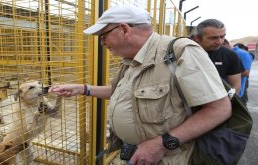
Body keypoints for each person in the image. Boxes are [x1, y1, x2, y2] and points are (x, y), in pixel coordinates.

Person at [49, 5, 231, 165]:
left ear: (124, 29)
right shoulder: (130, 59)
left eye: (103, 36)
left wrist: (162, 144)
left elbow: (219, 109)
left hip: (168, 157)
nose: (102, 42)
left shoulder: (180, 52)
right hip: (138, 154)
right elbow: (120, 92)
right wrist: (82, 89)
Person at [193, 19, 244, 94]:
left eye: (222, 37)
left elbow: (235, 87)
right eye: (213, 38)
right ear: (198, 38)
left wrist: (223, 104)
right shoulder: (184, 52)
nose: (220, 42)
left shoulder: (231, 56)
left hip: (219, 103)